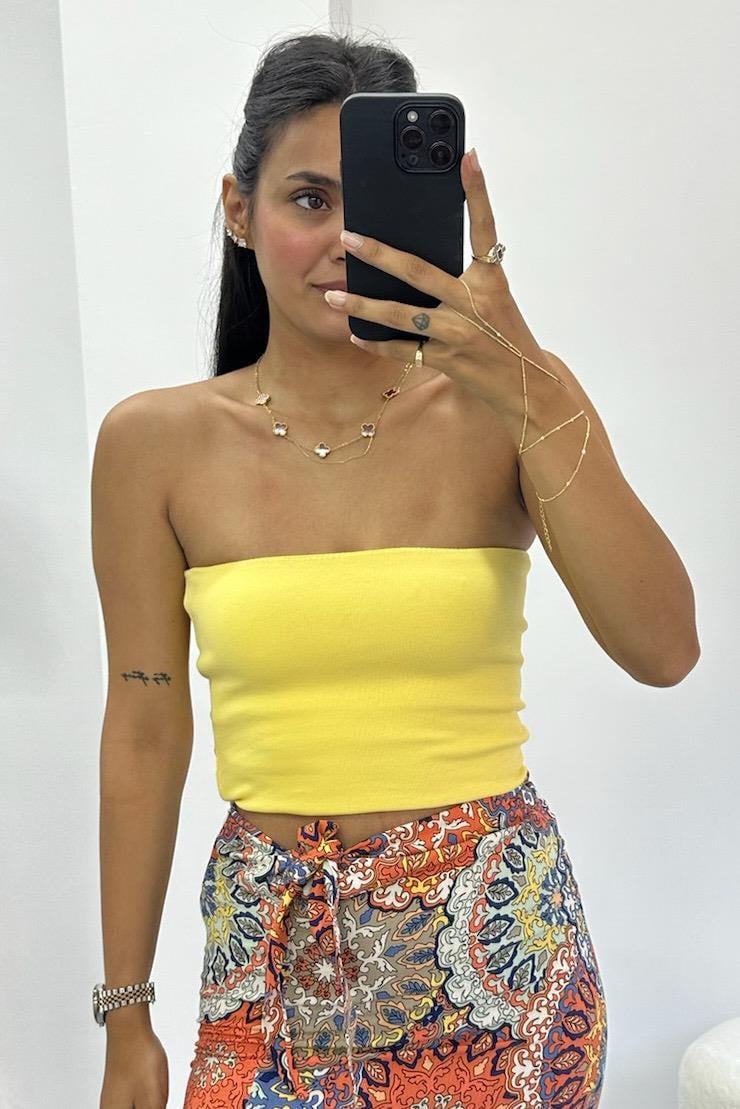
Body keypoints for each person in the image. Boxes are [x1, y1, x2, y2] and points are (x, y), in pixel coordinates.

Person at [92, 30, 699, 1109]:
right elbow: (143, 727)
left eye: (370, 202)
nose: (343, 239)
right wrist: (125, 1011)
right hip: (267, 954)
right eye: (308, 199)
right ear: (238, 209)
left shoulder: (505, 406)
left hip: (496, 956)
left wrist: (528, 381)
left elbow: (663, 648)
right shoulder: (153, 445)